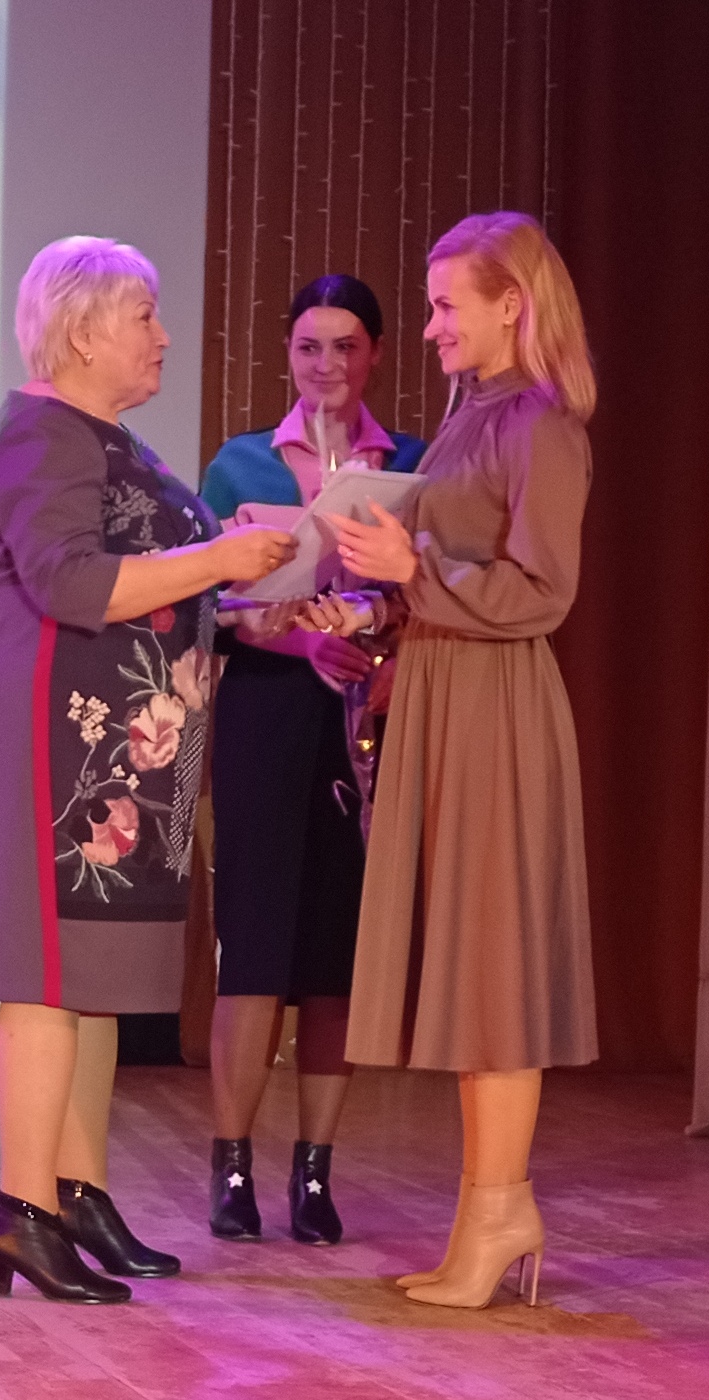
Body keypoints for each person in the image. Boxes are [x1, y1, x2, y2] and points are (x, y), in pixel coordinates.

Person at [0, 236, 294, 1303]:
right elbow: (70, 581)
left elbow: (156, 579)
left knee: (91, 984)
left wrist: (246, 594)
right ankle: (21, 1209)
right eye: (144, 315)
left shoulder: (108, 439)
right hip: (46, 734)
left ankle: (76, 1189)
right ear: (84, 329)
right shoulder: (40, 434)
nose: (163, 336)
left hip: (112, 750)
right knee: (48, 979)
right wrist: (218, 558)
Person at [306, 213, 597, 1306]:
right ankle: (486, 1213)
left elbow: (543, 591)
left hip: (495, 704)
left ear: (509, 303)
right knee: (470, 967)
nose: (427, 327)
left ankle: (500, 1209)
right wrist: (372, 596)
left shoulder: (540, 422)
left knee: (493, 968)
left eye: (443, 306)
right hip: (442, 686)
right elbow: (448, 561)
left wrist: (411, 567)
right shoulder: (473, 414)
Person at [200, 275, 426, 1245]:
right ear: (286, 354)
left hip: (363, 717)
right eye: (307, 346)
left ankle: (314, 1172)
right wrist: (297, 637)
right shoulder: (239, 462)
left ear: (374, 354)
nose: (325, 365)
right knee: (253, 948)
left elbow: (425, 594)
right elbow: (208, 601)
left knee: (335, 955)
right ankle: (231, 1165)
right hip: (264, 711)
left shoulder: (408, 464)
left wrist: (374, 640)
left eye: (344, 346)